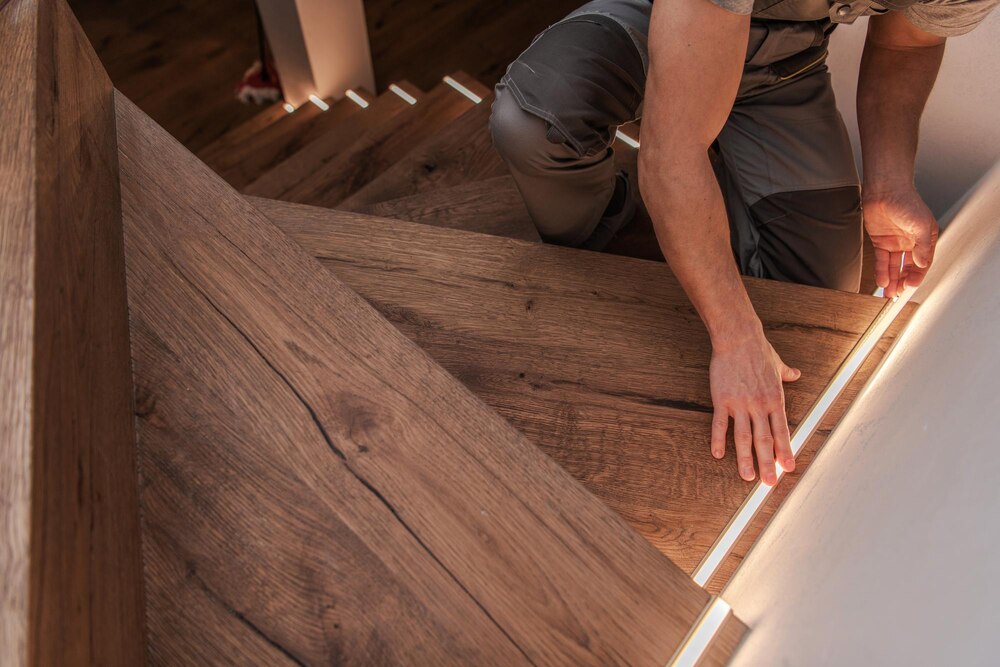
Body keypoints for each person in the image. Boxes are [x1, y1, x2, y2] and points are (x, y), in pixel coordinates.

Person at [489, 0, 997, 485]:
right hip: (667, 22)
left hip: (781, 66)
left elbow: (907, 44)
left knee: (816, 300)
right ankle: (615, 225)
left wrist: (889, 180)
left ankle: (712, 193)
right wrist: (735, 338)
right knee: (533, 126)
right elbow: (670, 155)